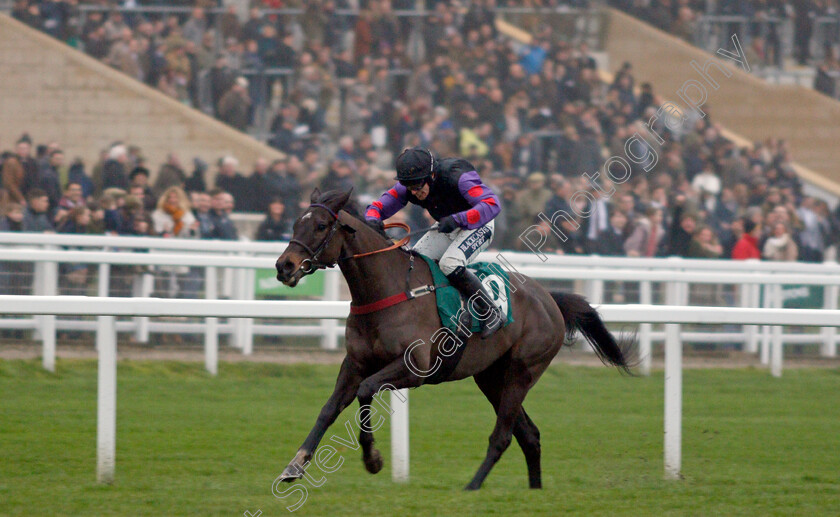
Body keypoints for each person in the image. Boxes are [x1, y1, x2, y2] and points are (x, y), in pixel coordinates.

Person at [364, 147, 503, 338]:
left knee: (450, 263)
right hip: (449, 226)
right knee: (416, 265)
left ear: (431, 175)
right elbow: (377, 207)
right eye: (409, 187)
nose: (414, 192)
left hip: (479, 224)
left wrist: (458, 219)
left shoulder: (458, 177)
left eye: (418, 187)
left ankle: (492, 312)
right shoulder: (410, 185)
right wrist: (372, 220)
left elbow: (492, 204)